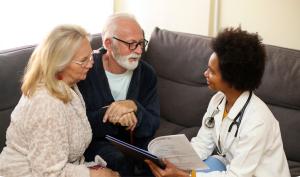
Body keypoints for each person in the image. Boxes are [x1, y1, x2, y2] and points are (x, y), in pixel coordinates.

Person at [145, 27, 291, 177]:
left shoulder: (258, 122)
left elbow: (236, 175)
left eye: (212, 72)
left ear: (232, 79)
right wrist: (175, 162)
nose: (205, 74)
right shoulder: (218, 101)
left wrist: (185, 176)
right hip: (228, 165)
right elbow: (202, 145)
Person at [0, 24, 119, 177]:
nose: (91, 64)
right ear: (59, 64)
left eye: (91, 56)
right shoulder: (46, 104)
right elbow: (49, 173)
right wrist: (94, 174)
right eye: (83, 60)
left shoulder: (68, 85)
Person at [78, 13, 160, 176]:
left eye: (141, 43)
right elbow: (77, 124)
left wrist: (135, 107)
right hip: (96, 143)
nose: (138, 51)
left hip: (135, 145)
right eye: (131, 44)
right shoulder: (86, 70)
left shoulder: (147, 73)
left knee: (157, 164)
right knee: (119, 162)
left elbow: (152, 123)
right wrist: (112, 113)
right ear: (108, 43)